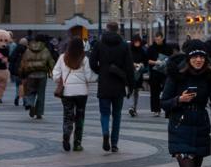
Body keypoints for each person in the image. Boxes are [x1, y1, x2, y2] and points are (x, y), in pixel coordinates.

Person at [90, 23, 135, 152]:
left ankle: (105, 132)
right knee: (117, 115)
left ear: (107, 29)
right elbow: (129, 68)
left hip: (104, 83)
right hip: (119, 84)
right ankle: (114, 143)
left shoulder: (99, 44)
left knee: (104, 113)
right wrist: (131, 85)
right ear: (118, 30)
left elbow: (92, 62)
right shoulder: (124, 45)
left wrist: (101, 71)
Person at [53, 37, 98, 152]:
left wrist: (61, 80)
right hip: (82, 93)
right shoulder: (84, 59)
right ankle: (77, 144)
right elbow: (89, 77)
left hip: (67, 92)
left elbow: (56, 75)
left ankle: (66, 137)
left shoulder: (62, 57)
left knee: (67, 116)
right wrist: (98, 76)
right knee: (80, 118)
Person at [18, 35, 55, 120]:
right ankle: (39, 113)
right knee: (41, 94)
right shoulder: (46, 50)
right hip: (42, 75)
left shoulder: (28, 50)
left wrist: (22, 74)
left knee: (30, 91)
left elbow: (23, 63)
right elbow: (51, 62)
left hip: (30, 74)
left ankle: (30, 104)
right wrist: (52, 72)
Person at [147, 31, 176, 116]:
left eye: (159, 39)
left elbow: (172, 58)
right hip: (154, 72)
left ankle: (168, 109)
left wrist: (166, 62)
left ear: (162, 38)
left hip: (165, 73)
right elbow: (148, 60)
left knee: (167, 90)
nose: (157, 41)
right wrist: (156, 62)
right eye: (156, 39)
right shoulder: (151, 48)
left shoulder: (168, 48)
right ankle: (156, 110)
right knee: (154, 92)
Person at [127, 34, 148, 117]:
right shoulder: (129, 50)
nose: (137, 44)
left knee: (136, 91)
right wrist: (133, 64)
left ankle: (134, 108)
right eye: (136, 42)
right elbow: (126, 60)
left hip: (138, 73)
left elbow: (145, 60)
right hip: (130, 73)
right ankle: (131, 107)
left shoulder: (142, 50)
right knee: (130, 90)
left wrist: (141, 64)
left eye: (138, 42)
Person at [9, 37, 27, 106]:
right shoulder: (27, 50)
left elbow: (11, 59)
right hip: (24, 71)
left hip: (16, 71)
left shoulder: (16, 49)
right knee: (24, 85)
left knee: (18, 85)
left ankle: (17, 96)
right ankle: (24, 100)